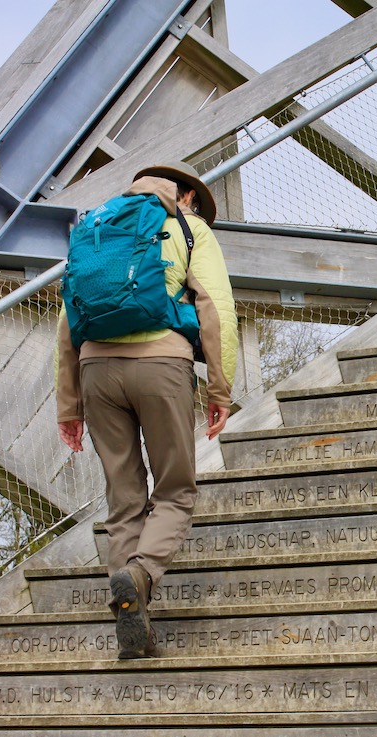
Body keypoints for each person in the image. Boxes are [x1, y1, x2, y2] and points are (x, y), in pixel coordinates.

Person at [56, 162, 238, 659]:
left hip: (96, 371)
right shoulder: (189, 228)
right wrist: (219, 389)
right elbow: (215, 309)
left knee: (124, 498)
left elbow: (69, 318)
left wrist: (68, 405)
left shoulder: (96, 226)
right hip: (162, 365)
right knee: (176, 490)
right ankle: (138, 575)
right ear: (188, 198)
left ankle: (130, 618)